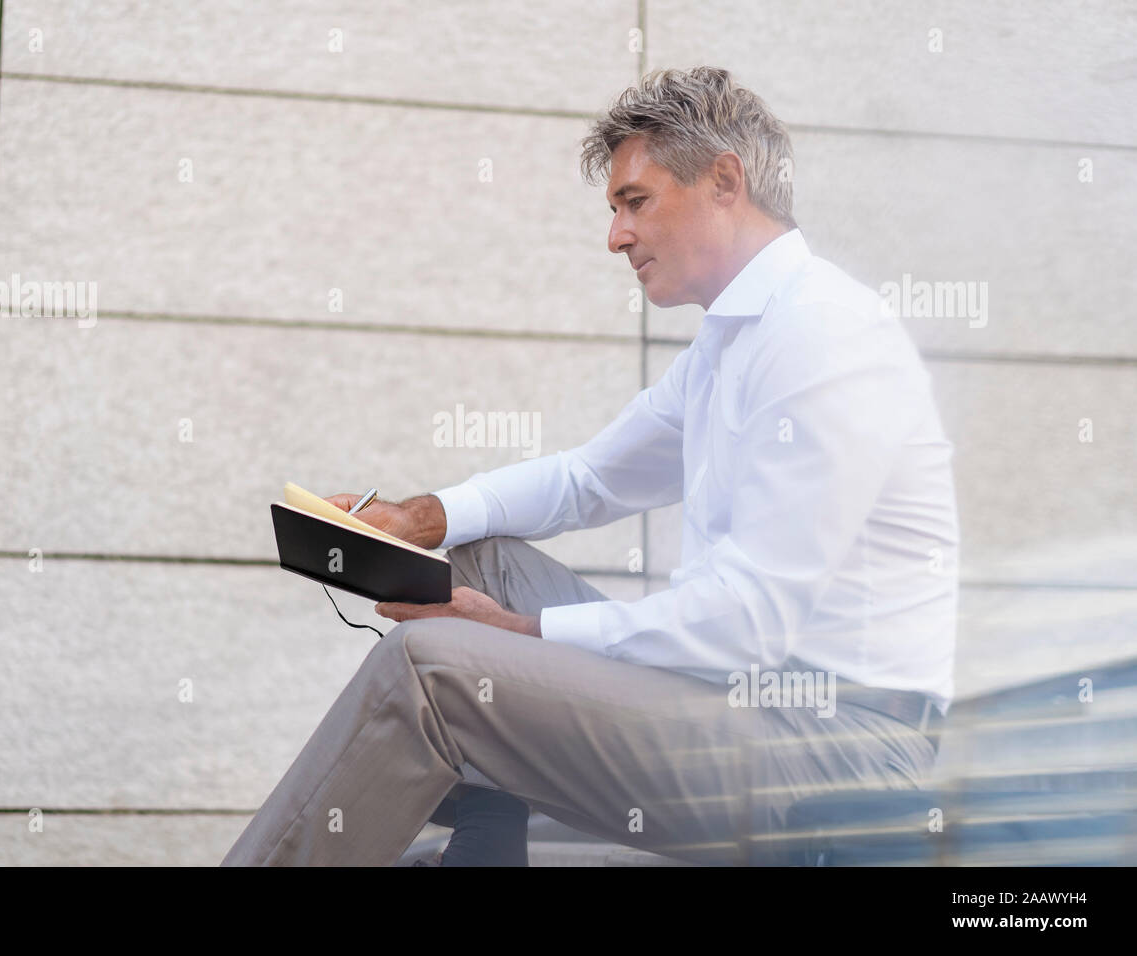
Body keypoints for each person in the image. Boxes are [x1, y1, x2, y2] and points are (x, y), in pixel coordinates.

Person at [222, 65, 958, 867]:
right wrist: (414, 519)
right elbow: (590, 479)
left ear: (724, 181)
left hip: (835, 756)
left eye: (633, 202)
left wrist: (523, 635)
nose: (615, 237)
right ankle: (487, 851)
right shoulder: (732, 343)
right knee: (484, 562)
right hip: (742, 708)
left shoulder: (825, 336)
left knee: (431, 665)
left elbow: (750, 618)